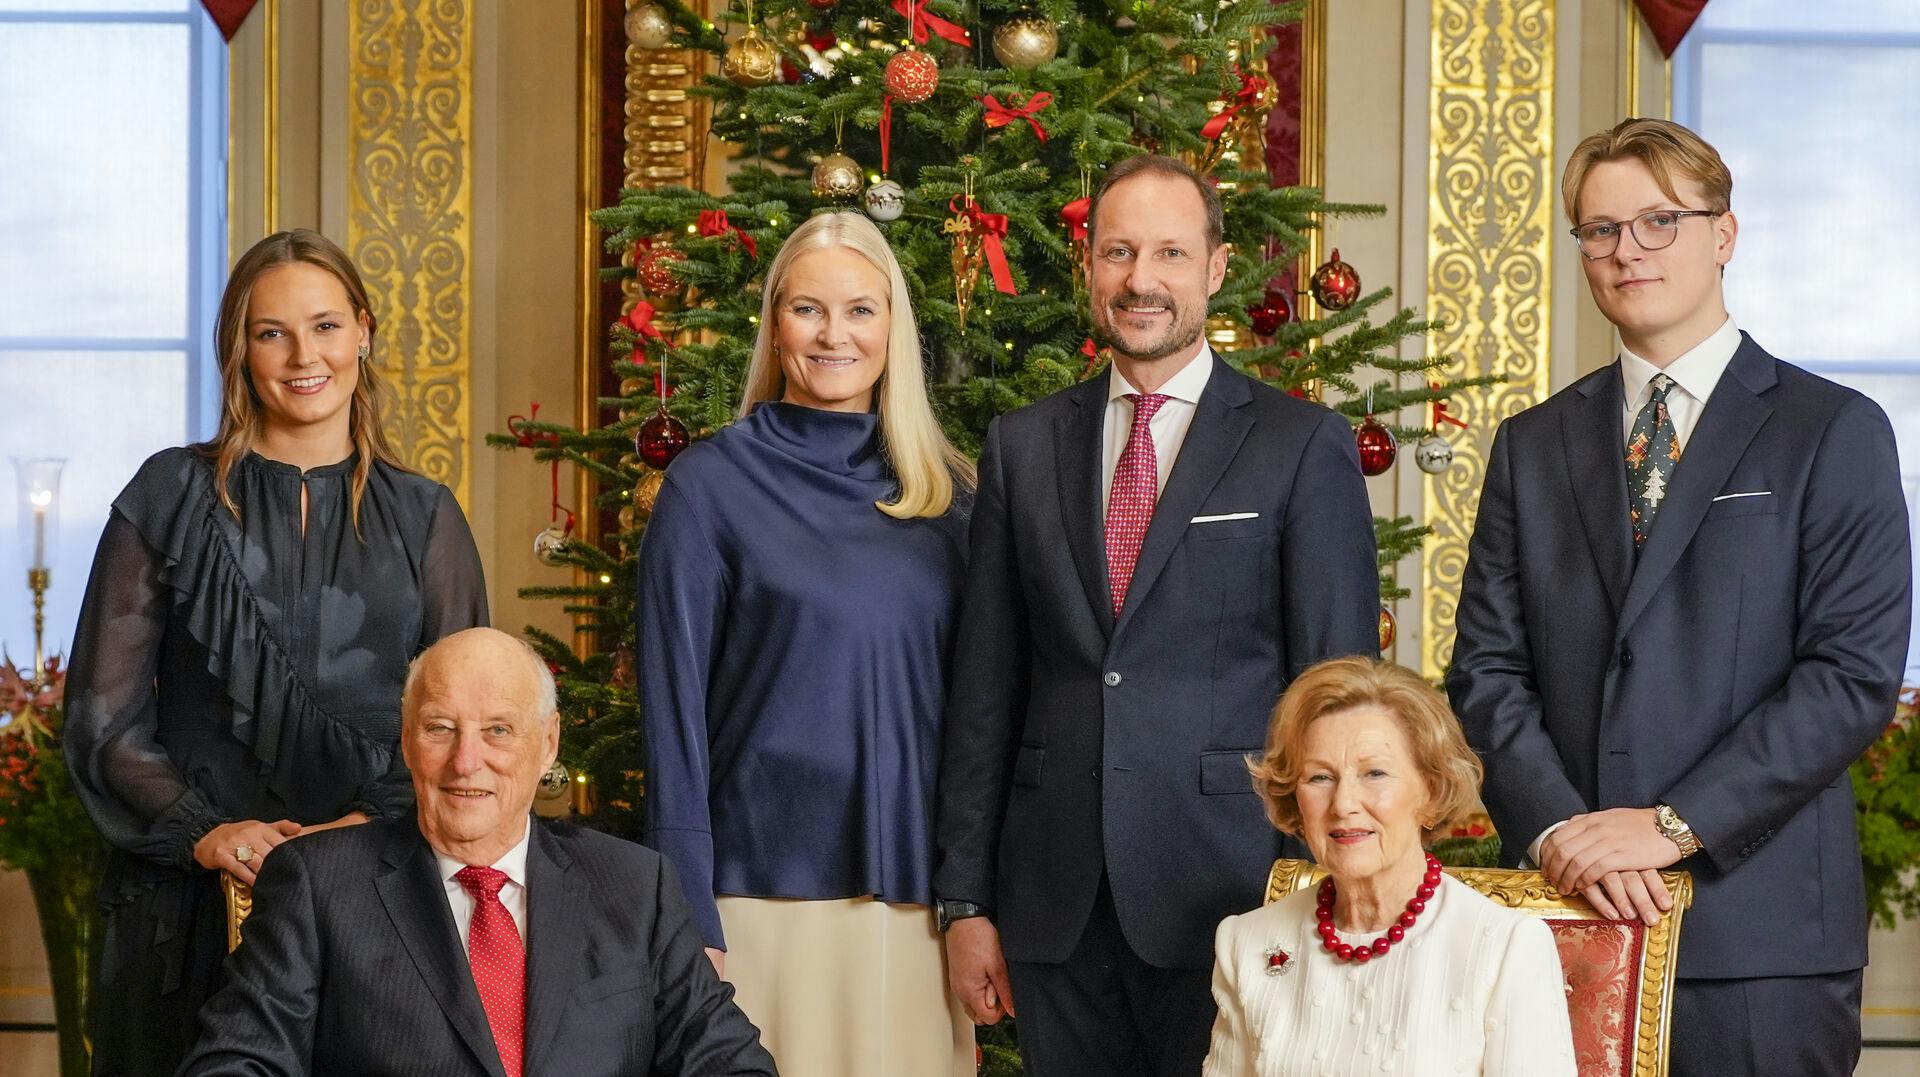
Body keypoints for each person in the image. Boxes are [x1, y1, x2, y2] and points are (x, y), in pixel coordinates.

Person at [1448, 117, 1910, 1076]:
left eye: (1660, 221)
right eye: (1600, 229)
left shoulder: (1832, 429)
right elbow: (1487, 670)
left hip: (1758, 934)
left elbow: (1851, 676)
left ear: (1724, 235)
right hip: (1559, 918)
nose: (1628, 251)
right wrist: (1562, 835)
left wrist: (1668, 827)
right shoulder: (1531, 445)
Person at [934, 153, 1381, 1075]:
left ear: (1216, 268)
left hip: (1239, 897)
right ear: (1089, 267)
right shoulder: (1022, 445)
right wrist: (964, 901)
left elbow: (1338, 698)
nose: (1142, 279)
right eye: (1119, 251)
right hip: (1053, 902)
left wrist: (1335, 892)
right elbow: (986, 689)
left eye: (1171, 252)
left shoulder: (1300, 445)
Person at [62, 228, 488, 1076]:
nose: (304, 356)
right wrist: (210, 831)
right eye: (272, 332)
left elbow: (465, 717)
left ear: (363, 331)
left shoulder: (425, 516)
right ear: (240, 346)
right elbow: (105, 719)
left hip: (378, 898)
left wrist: (358, 828)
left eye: (326, 326)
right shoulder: (167, 493)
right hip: (187, 907)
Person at [635, 211, 976, 1076]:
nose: (835, 335)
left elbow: (984, 723)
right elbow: (670, 718)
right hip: (755, 905)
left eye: (861, 310)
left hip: (914, 914)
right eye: (808, 310)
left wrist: (976, 899)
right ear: (775, 324)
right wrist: (689, 917)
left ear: (894, 327)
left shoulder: (950, 497)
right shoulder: (707, 486)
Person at [176, 628, 776, 1076]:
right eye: (440, 727)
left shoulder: (635, 885)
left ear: (547, 745)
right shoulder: (318, 883)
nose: (467, 762)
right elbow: (234, 1065)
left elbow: (728, 1061)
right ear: (407, 742)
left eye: (498, 730)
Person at [1204, 657, 1575, 1076]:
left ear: (1432, 792)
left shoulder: (1505, 947)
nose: (1344, 804)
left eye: (1375, 773)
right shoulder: (1247, 941)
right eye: (1319, 778)